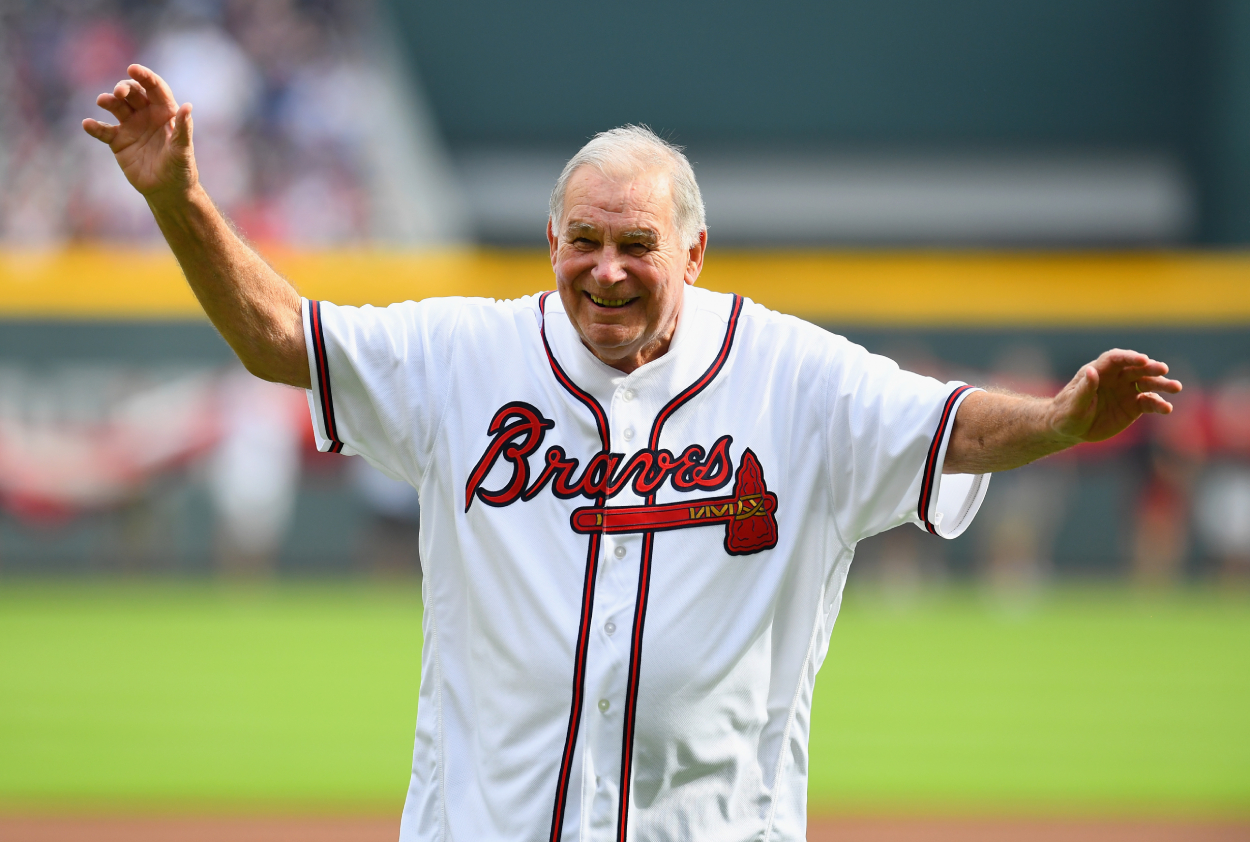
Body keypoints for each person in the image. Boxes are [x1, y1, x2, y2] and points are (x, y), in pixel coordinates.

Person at [84, 66, 1183, 842]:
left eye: (636, 244)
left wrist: (1055, 421)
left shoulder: (793, 376)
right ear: (550, 242)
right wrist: (177, 195)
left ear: (692, 252)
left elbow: (945, 423)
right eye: (585, 240)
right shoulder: (464, 353)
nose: (606, 269)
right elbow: (281, 336)